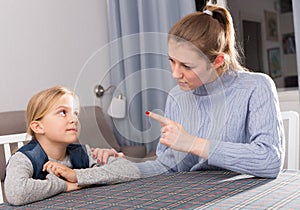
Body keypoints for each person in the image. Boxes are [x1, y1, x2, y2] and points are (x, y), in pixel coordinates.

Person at [109, 5, 284, 179]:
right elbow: (168, 167)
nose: (175, 74)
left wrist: (192, 143)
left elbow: (270, 160)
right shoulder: (177, 96)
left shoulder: (256, 87)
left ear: (217, 61)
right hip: (196, 193)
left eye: (186, 66)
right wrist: (122, 167)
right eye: (172, 61)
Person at [4, 86, 140, 206]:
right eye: (63, 112)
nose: (74, 119)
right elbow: (16, 193)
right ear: (38, 127)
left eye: (75, 113)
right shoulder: (23, 159)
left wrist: (76, 175)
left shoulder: (82, 152)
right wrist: (64, 185)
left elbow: (131, 170)